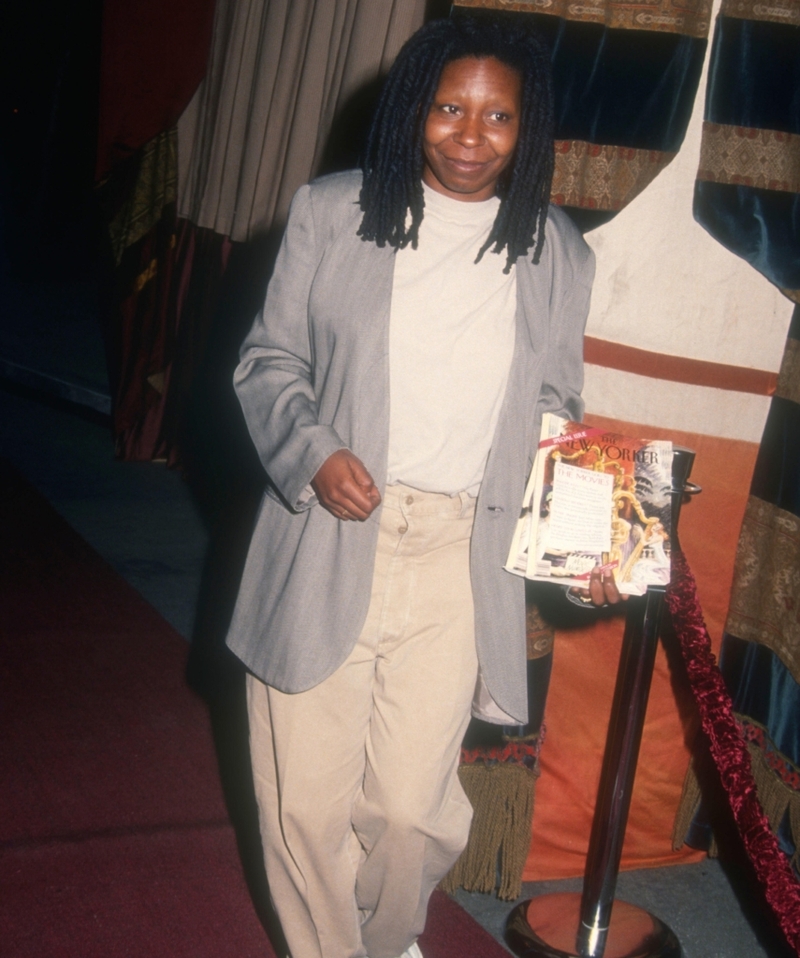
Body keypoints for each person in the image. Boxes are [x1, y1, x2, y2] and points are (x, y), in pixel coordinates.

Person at [226, 14, 616, 958]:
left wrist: (588, 543)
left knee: (411, 813)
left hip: (458, 551)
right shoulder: (333, 211)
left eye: (497, 117)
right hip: (329, 534)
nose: (469, 136)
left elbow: (556, 407)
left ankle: (389, 933)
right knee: (306, 808)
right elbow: (268, 361)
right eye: (448, 107)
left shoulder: (558, 251)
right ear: (413, 111)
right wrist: (315, 451)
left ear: (530, 130)